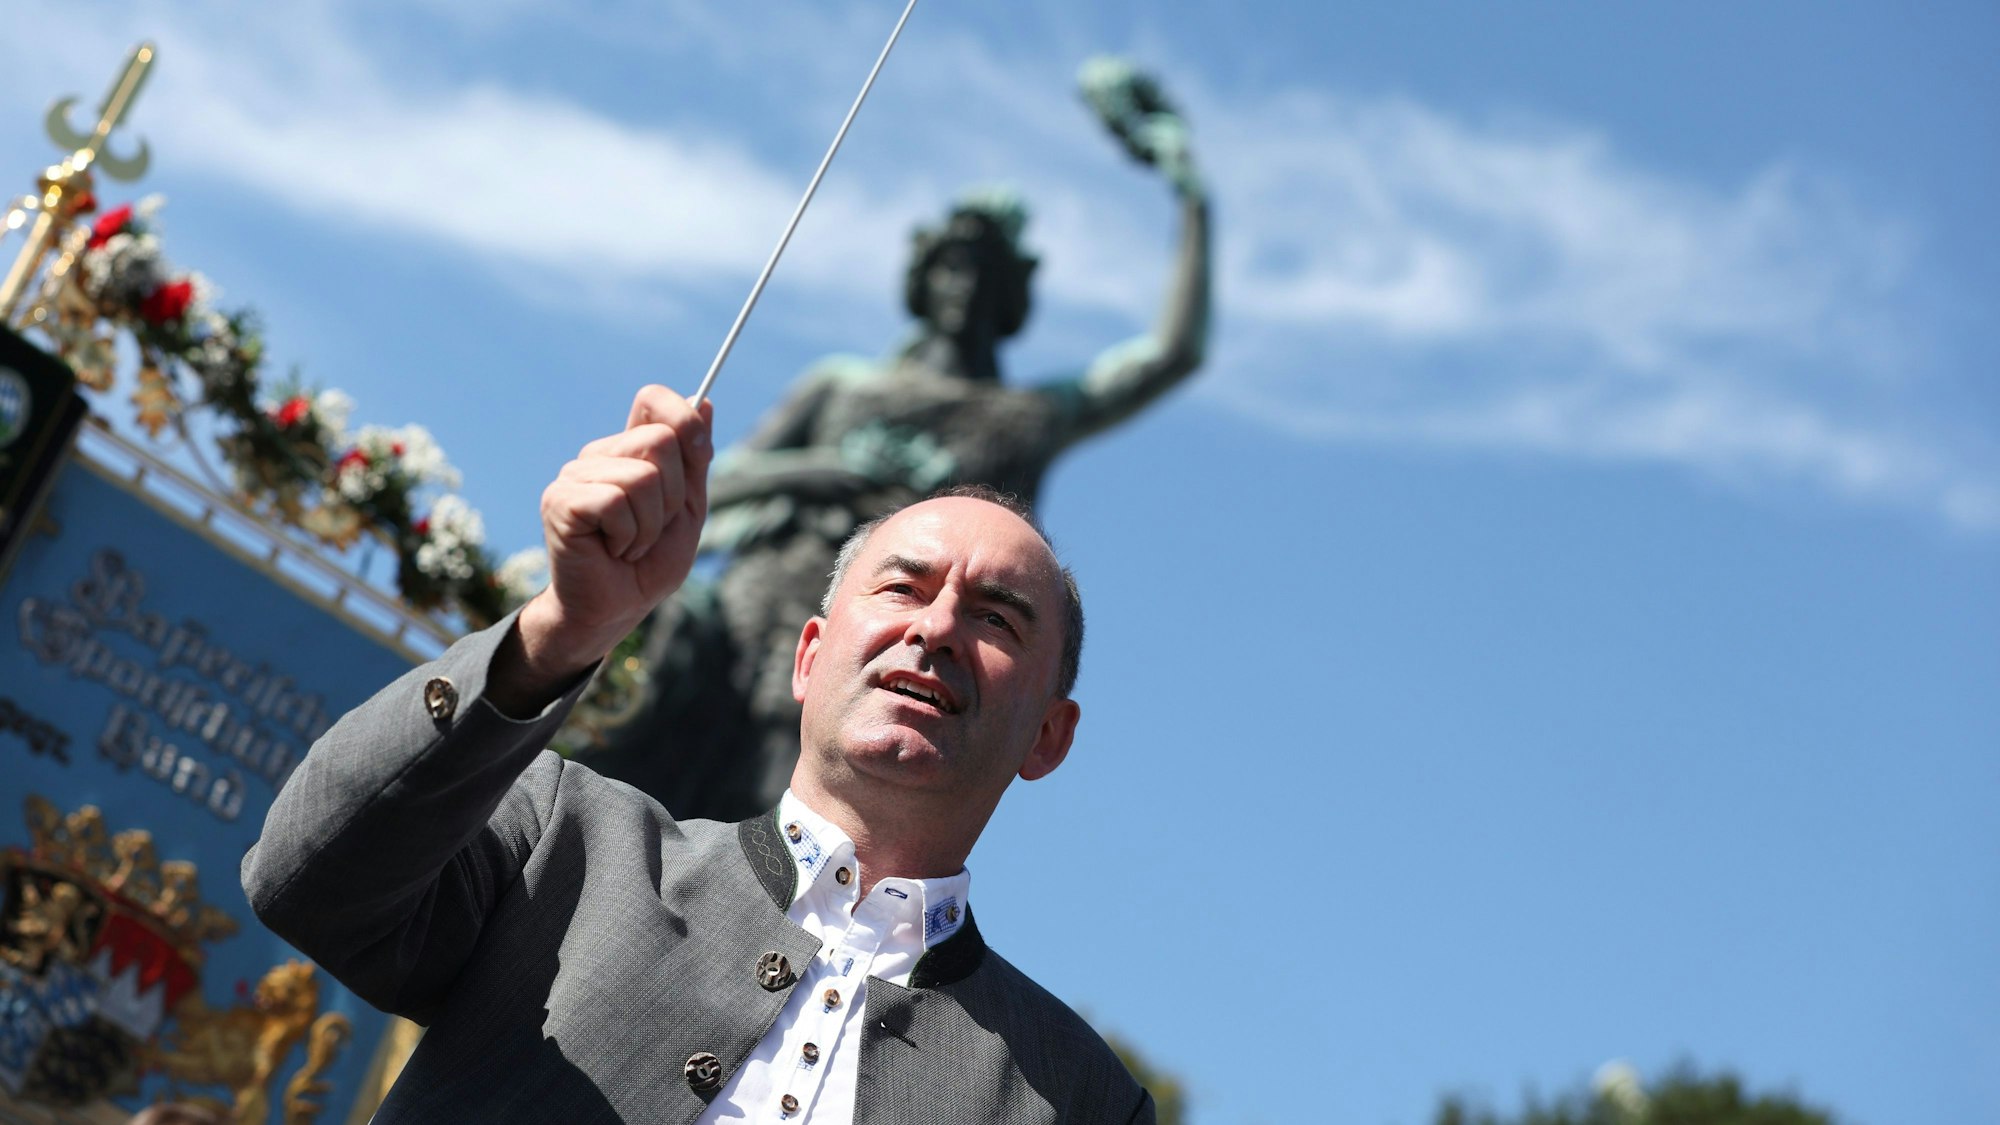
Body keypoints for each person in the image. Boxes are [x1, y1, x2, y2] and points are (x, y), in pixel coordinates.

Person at [241, 385, 1151, 1122]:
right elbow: (307, 880)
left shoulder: (1080, 1099)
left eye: (995, 616)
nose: (936, 626)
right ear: (806, 657)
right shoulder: (569, 837)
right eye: (903, 585)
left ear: (1048, 736)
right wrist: (561, 631)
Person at [590, 58, 1211, 824]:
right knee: (632, 757)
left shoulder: (1028, 415)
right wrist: (827, 469)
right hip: (765, 606)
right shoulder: (845, 383)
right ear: (924, 277)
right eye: (951, 268)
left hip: (890, 654)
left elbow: (1168, 354)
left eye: (983, 273)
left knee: (786, 825)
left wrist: (1190, 191)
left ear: (1010, 293)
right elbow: (727, 473)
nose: (964, 288)